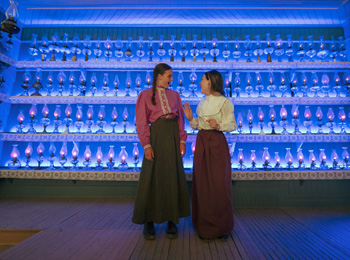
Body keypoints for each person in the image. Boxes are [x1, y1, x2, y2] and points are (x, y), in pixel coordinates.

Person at [132, 63, 190, 240]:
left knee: (173, 175)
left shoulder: (175, 95)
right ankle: (148, 221)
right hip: (156, 136)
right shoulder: (144, 95)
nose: (172, 79)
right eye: (169, 76)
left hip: (172, 135)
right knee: (152, 176)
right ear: (159, 76)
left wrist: (182, 140)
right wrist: (147, 145)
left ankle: (172, 220)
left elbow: (180, 119)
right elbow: (142, 121)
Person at [183, 70, 237, 241]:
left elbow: (233, 124)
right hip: (202, 142)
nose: (199, 83)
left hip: (216, 144)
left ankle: (222, 227)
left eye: (202, 80)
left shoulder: (225, 102)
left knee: (219, 184)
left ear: (211, 82)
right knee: (202, 183)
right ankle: (205, 227)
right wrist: (191, 118)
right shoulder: (202, 104)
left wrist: (219, 125)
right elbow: (198, 125)